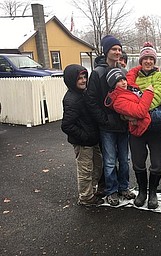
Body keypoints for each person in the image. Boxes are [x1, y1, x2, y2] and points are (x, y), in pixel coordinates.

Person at [86, 35, 135, 206]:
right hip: (107, 125)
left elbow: (133, 92)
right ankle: (111, 191)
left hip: (123, 123)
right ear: (106, 51)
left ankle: (124, 187)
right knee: (109, 160)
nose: (117, 52)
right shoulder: (98, 73)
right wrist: (103, 120)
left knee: (124, 159)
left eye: (119, 50)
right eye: (114, 49)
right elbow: (91, 100)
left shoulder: (123, 72)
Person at [126, 42, 161, 209]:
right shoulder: (133, 78)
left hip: (155, 127)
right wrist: (141, 101)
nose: (149, 61)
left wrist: (137, 108)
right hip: (137, 129)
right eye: (145, 58)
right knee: (138, 161)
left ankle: (153, 192)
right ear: (141, 60)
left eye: (151, 58)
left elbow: (156, 97)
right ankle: (142, 191)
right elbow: (126, 98)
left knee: (158, 163)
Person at [104, 68, 161, 137]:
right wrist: (148, 92)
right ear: (113, 85)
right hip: (149, 120)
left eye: (123, 79)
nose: (123, 82)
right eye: (118, 81)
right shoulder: (118, 102)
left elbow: (132, 72)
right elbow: (140, 112)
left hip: (154, 111)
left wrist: (148, 65)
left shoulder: (128, 86)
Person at [61, 64, 103, 206]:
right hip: (83, 142)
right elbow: (66, 125)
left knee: (98, 165)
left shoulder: (83, 94)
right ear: (71, 80)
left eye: (85, 77)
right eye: (79, 78)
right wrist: (85, 137)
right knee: (85, 170)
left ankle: (91, 190)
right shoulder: (72, 99)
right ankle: (86, 198)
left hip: (92, 139)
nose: (84, 80)